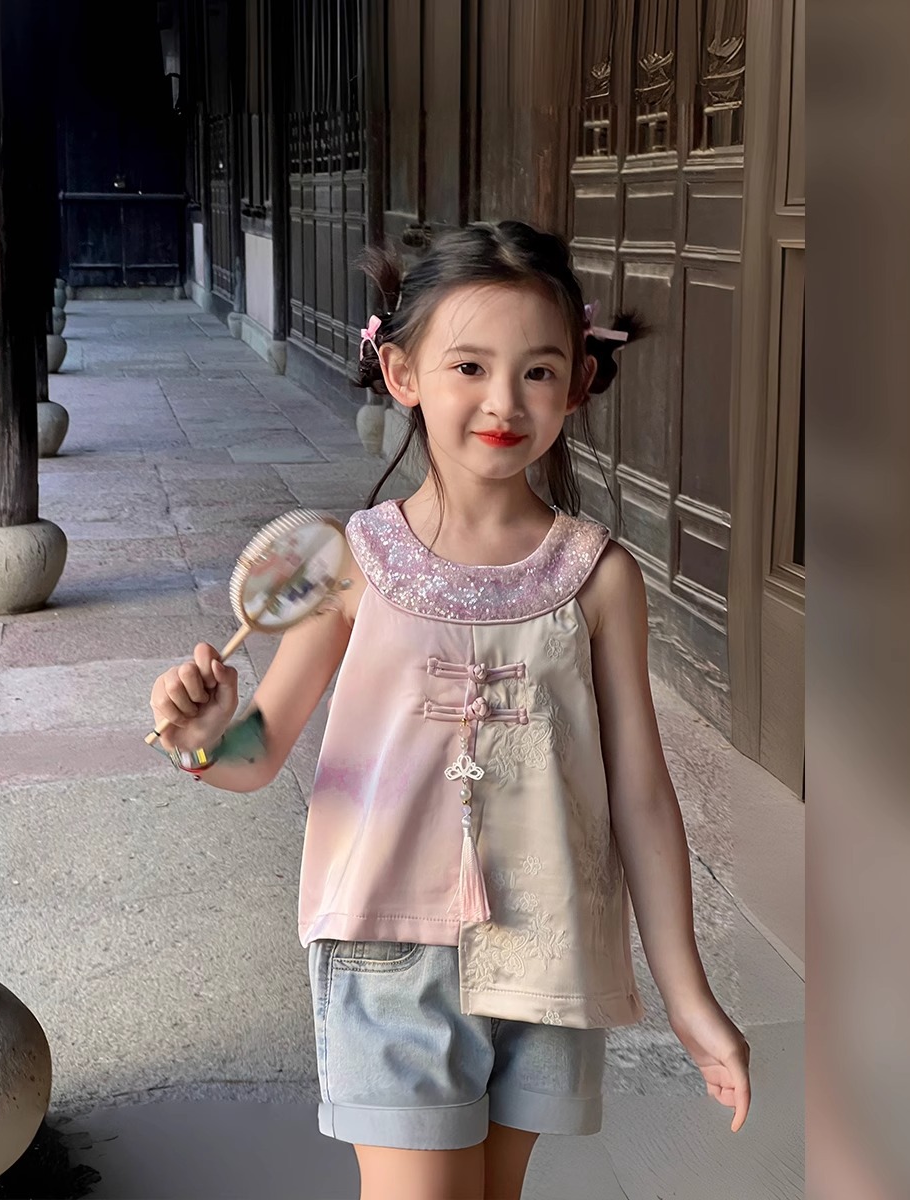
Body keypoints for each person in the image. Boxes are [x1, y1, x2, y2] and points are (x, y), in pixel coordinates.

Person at [149, 221, 751, 1200]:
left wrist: (688, 996)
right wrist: (202, 740)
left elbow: (641, 797)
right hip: (389, 948)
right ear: (402, 373)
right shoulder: (352, 565)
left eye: (538, 371)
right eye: (469, 366)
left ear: (579, 384)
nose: (504, 401)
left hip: (551, 950)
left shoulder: (600, 576)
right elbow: (261, 749)